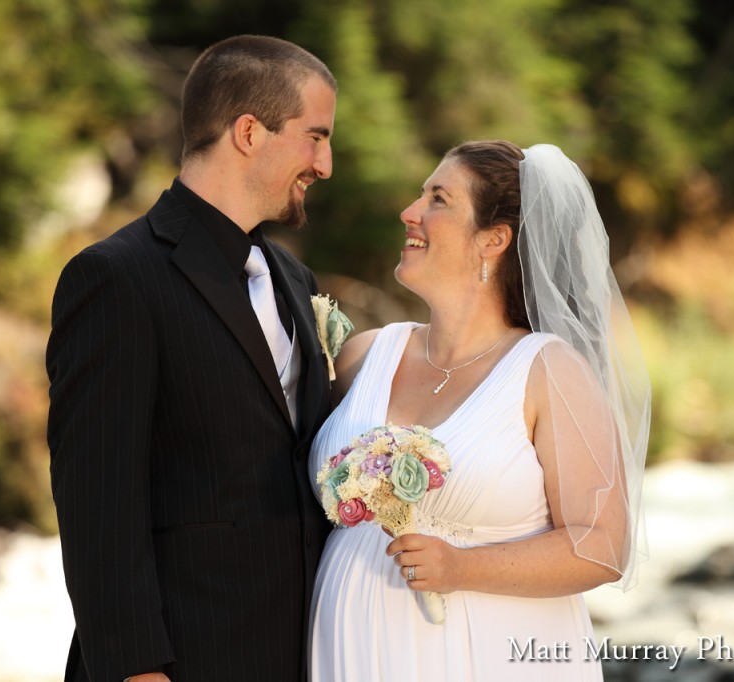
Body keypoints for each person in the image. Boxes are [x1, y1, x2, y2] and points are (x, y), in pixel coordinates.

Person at [46, 35, 337, 682]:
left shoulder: (296, 280)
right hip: (181, 662)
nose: (326, 163)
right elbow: (97, 506)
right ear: (249, 132)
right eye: (315, 137)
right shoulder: (116, 279)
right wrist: (138, 670)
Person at [307, 141, 651, 680]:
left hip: (486, 654)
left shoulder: (547, 371)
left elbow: (603, 546)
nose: (410, 212)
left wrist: (462, 566)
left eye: (438, 199)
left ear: (493, 239)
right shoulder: (364, 355)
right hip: (354, 651)